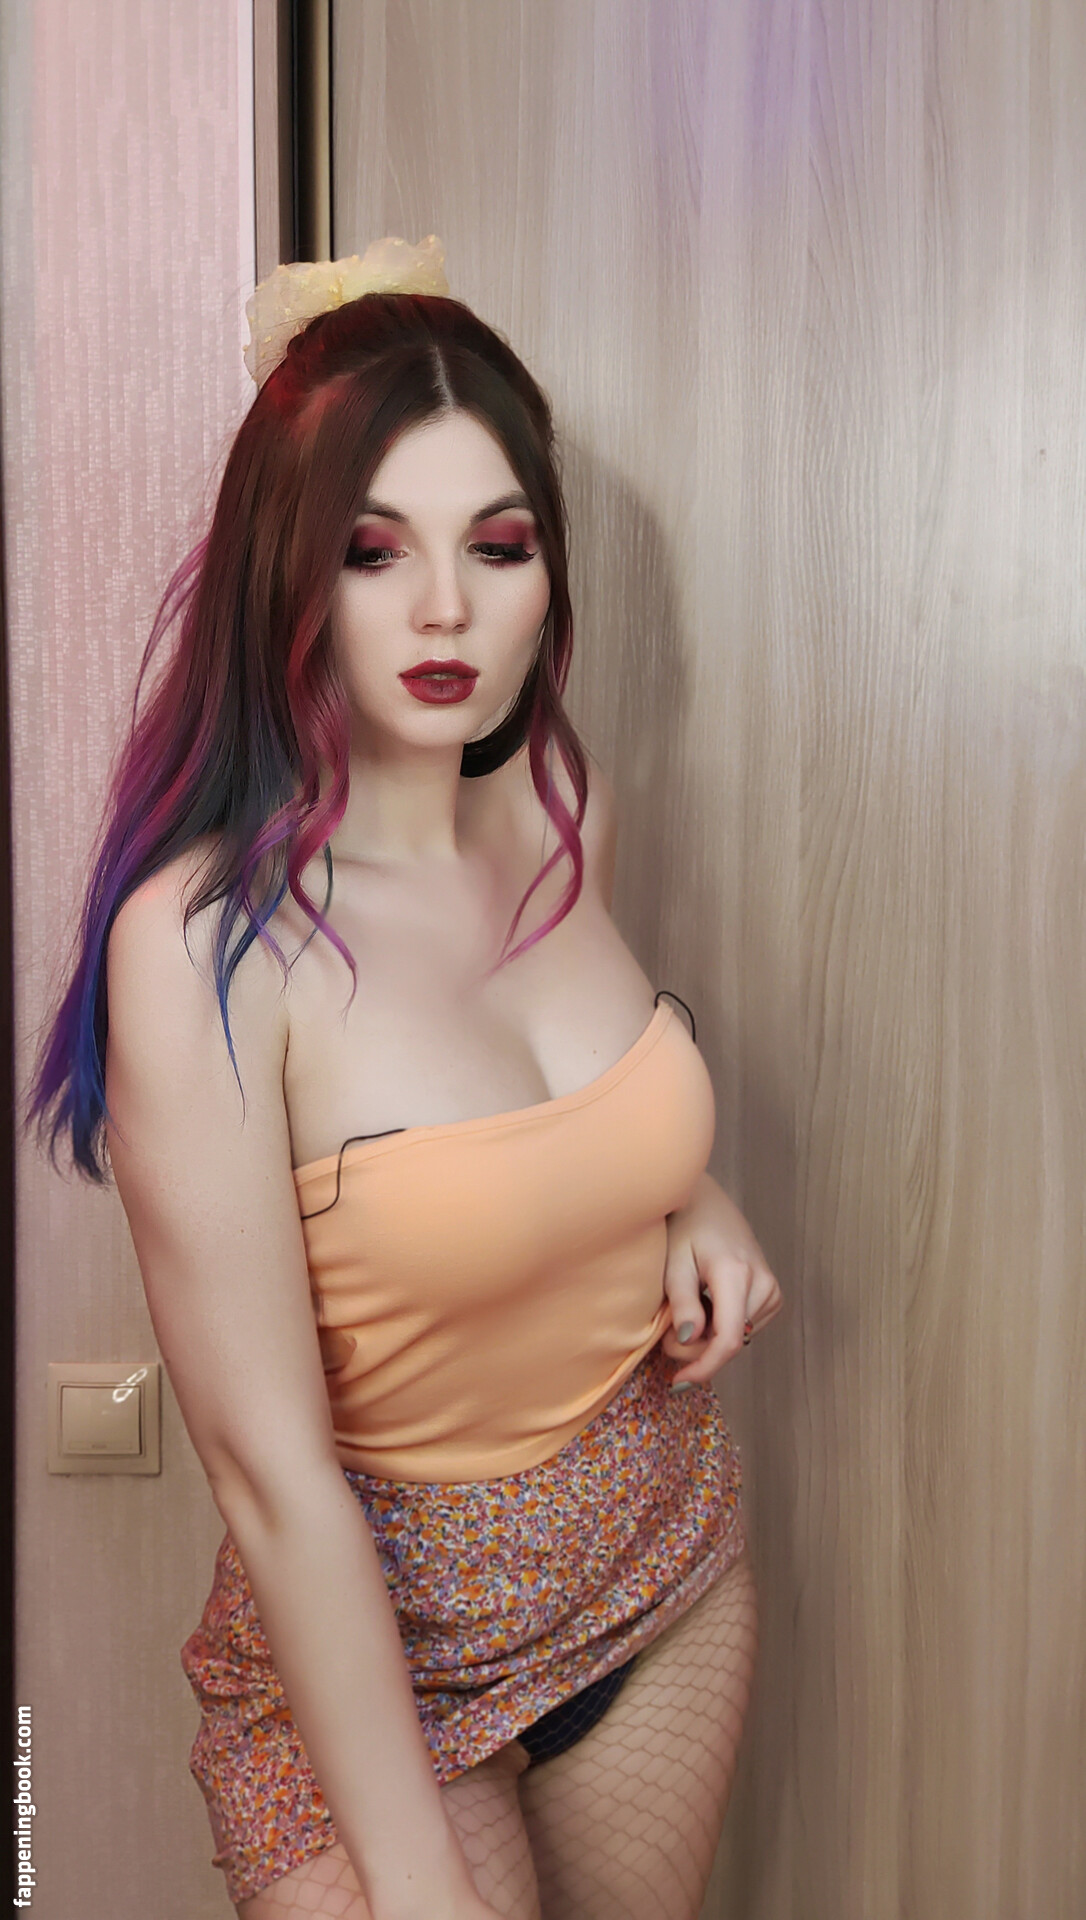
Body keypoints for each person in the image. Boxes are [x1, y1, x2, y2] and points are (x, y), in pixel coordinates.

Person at [26, 235, 781, 1919]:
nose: (446, 609)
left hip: (658, 1572)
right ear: (284, 576)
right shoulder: (207, 945)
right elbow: (268, 1473)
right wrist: (418, 1885)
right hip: (368, 1664)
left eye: (496, 548)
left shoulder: (555, 804)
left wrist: (686, 1197)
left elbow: (558, 1094)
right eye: (374, 552)